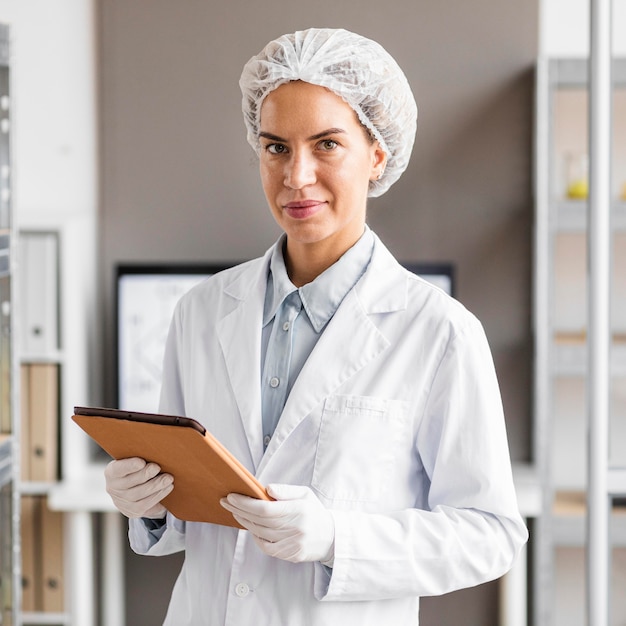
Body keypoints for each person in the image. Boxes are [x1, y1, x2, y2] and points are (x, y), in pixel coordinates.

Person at [104, 27, 528, 625]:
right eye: (276, 147)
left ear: (377, 153)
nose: (296, 176)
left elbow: (489, 535)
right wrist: (147, 503)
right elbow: (187, 507)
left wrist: (336, 538)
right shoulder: (201, 310)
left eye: (327, 144)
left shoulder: (438, 332)